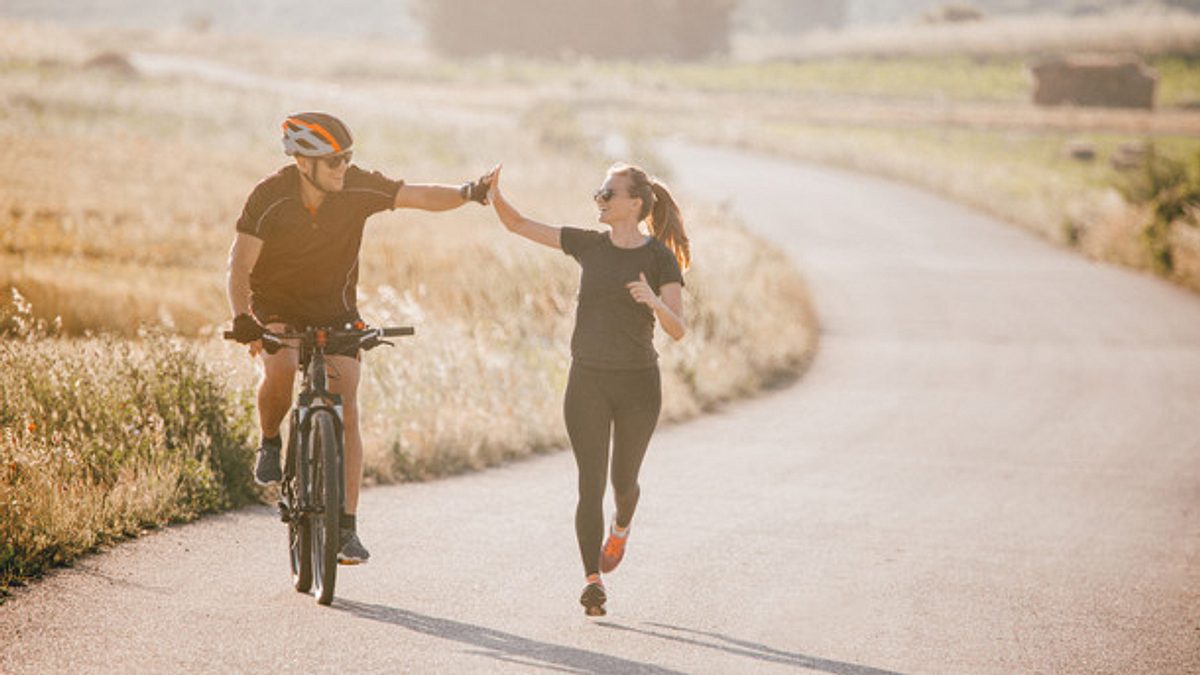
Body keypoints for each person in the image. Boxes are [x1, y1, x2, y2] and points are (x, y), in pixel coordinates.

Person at [227, 112, 495, 565]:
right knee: (281, 368)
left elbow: (418, 195)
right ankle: (271, 439)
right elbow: (238, 265)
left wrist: (469, 193)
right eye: (334, 161)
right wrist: (242, 318)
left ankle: (345, 528)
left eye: (348, 158)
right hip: (276, 307)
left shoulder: (356, 188)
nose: (343, 168)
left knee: (346, 404)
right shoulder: (269, 196)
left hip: (335, 310)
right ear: (303, 162)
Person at [487, 162, 690, 616]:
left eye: (607, 194)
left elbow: (678, 329)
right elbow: (519, 225)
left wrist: (654, 301)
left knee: (623, 484)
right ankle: (592, 581)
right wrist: (493, 195)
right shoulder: (587, 244)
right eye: (598, 193)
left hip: (639, 383)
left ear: (633, 204)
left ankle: (621, 526)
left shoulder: (659, 258)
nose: (598, 200)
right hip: (588, 380)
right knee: (589, 483)